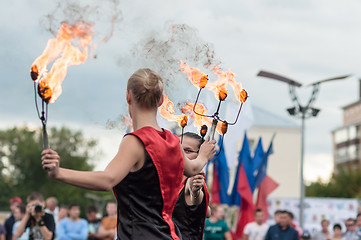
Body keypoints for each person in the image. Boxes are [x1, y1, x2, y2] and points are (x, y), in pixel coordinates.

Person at [41, 68, 216, 240]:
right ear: (161, 101)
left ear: (128, 96)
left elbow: (107, 180)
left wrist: (59, 173)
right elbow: (193, 168)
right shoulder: (172, 141)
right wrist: (203, 155)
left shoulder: (135, 141)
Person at [172, 132, 210, 240]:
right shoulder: (171, 180)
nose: (180, 154)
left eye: (187, 150)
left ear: (200, 155)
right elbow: (206, 212)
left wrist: (195, 192)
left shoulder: (192, 180)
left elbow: (195, 197)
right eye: (177, 148)